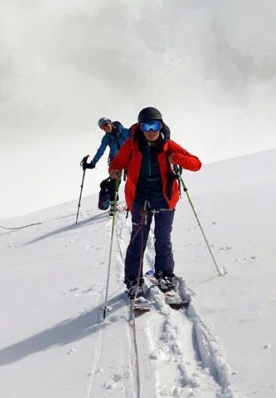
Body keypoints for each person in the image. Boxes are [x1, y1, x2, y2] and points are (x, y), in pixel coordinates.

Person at [109, 106, 201, 299]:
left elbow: (196, 163)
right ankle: (133, 280)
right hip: (140, 198)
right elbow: (116, 163)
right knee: (138, 239)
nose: (151, 131)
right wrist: (114, 172)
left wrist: (176, 158)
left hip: (164, 197)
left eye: (155, 125)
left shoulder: (168, 144)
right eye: (146, 126)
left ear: (161, 125)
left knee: (163, 239)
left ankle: (164, 275)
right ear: (140, 127)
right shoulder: (132, 144)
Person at [82, 117, 131, 211]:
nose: (105, 128)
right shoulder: (106, 138)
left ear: (110, 123)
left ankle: (132, 202)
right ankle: (113, 204)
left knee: (132, 180)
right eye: (102, 128)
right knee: (114, 181)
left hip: (129, 158)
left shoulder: (124, 131)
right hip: (116, 160)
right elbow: (101, 150)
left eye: (105, 125)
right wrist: (93, 163)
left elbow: (136, 138)